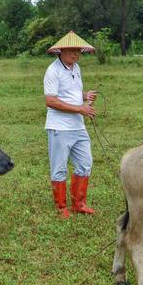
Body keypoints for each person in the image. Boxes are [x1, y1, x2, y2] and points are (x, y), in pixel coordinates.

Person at [43, 31, 98, 218]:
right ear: (62, 51)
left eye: (78, 51)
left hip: (78, 127)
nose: (76, 54)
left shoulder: (76, 68)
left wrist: (85, 97)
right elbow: (51, 101)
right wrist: (80, 109)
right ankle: (61, 208)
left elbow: (72, 93)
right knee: (59, 168)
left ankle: (79, 204)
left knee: (85, 164)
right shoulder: (53, 71)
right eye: (72, 51)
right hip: (60, 127)